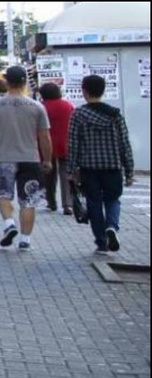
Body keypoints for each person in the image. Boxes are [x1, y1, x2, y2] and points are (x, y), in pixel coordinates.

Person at [0, 66, 52, 251]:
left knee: (3, 194)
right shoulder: (37, 106)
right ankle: (25, 240)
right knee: (29, 201)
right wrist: (48, 159)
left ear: (6, 81)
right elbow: (44, 136)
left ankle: (9, 224)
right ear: (24, 82)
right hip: (31, 158)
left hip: (4, 158)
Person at [66, 74, 134, 254]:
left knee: (94, 203)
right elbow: (124, 143)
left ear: (85, 91)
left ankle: (101, 241)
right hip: (113, 167)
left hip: (89, 168)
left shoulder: (78, 114)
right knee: (112, 199)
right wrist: (129, 170)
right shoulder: (115, 114)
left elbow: (73, 144)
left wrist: (71, 170)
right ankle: (111, 226)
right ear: (103, 91)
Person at [39, 82, 75, 215]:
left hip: (46, 144)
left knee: (48, 173)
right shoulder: (68, 105)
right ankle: (68, 204)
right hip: (66, 143)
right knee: (66, 174)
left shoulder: (42, 107)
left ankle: (51, 201)